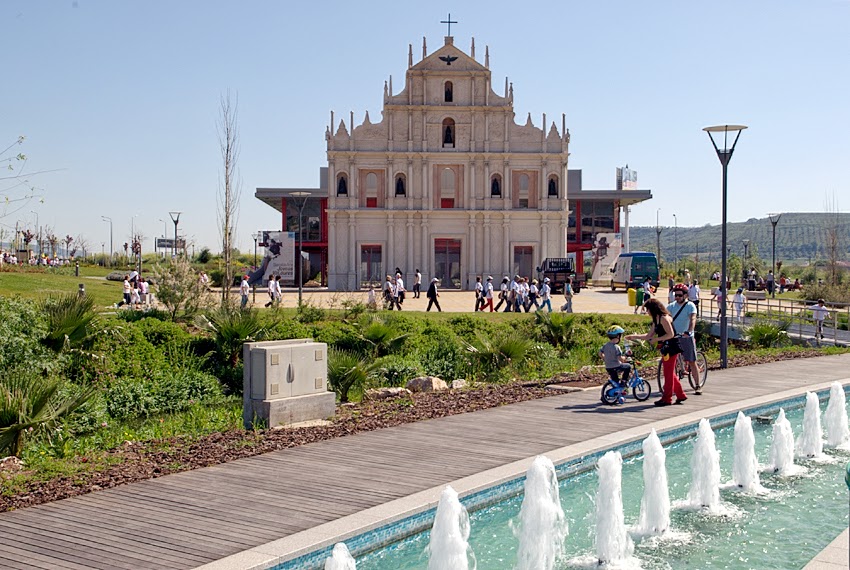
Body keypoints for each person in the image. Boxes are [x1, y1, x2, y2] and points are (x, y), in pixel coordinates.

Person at [626, 298, 687, 406]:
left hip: (671, 348)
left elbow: (671, 334)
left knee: (668, 374)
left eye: (648, 309)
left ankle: (667, 398)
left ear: (653, 309)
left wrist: (657, 339)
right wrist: (633, 337)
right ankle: (680, 394)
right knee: (670, 373)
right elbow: (649, 335)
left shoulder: (664, 318)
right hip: (665, 348)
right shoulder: (656, 319)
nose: (647, 312)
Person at [667, 283, 700, 394]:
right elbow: (665, 318)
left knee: (691, 361)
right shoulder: (671, 306)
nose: (677, 297)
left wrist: (689, 330)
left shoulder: (690, 306)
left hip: (686, 336)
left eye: (680, 295)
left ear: (685, 295)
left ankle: (697, 385)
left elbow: (693, 319)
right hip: (674, 336)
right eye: (676, 295)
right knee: (670, 361)